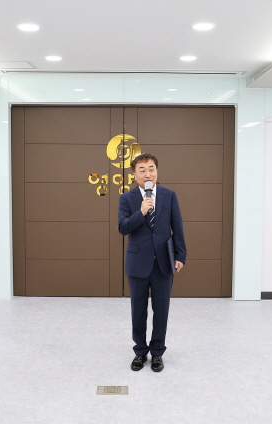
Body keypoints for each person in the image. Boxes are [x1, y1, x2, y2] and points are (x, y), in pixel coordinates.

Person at [118, 153, 186, 372]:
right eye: (142, 170)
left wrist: (180, 255)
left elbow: (177, 226)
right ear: (134, 174)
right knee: (138, 310)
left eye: (151, 169)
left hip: (163, 262)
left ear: (156, 171)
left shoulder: (169, 195)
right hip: (138, 262)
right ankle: (140, 351)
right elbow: (123, 227)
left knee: (161, 309)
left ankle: (157, 352)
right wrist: (141, 212)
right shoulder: (127, 198)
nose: (147, 174)